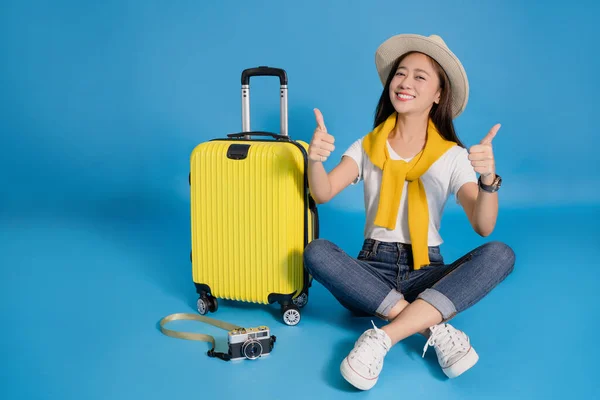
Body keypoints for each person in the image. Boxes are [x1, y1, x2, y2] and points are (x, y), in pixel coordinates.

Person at [303, 33, 516, 390]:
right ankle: (432, 325)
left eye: (420, 76)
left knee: (501, 254)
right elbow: (322, 192)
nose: (405, 83)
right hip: (370, 272)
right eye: (401, 73)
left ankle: (382, 338)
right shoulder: (367, 146)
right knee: (316, 252)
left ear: (438, 95)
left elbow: (483, 225)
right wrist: (314, 160)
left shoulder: (452, 156)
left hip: (425, 273)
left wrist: (488, 179)